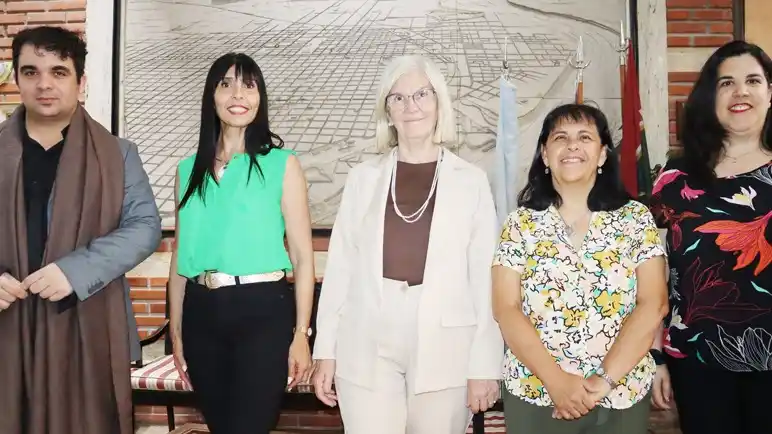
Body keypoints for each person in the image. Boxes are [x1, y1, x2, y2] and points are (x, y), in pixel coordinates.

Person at [311, 55, 504, 434]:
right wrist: (326, 350)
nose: (410, 106)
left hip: (445, 342)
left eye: (420, 94)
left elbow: (485, 281)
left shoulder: (472, 182)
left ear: (439, 102)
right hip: (366, 336)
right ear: (387, 110)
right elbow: (340, 271)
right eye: (397, 98)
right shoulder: (362, 179)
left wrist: (484, 364)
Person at [0, 26, 161, 434]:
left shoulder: (118, 154)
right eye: (31, 72)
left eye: (59, 71)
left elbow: (144, 228)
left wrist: (74, 271)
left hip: (88, 321)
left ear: (81, 81)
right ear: (15, 78)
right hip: (7, 326)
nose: (44, 84)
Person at [491, 103, 668, 434]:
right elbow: (506, 308)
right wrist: (557, 382)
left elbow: (653, 302)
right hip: (537, 393)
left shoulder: (635, 219)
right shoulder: (520, 224)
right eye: (560, 137)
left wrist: (603, 381)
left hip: (620, 393)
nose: (572, 145)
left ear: (602, 155)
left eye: (585, 137)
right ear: (545, 155)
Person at [168, 52, 315, 434]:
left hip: (263, 312)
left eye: (249, 85)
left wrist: (301, 334)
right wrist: (178, 332)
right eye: (226, 84)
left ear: (260, 98)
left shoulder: (283, 164)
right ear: (211, 97)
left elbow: (302, 256)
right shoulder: (187, 171)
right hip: (201, 314)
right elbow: (180, 260)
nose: (238, 94)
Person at [649, 40, 772, 434]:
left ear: (770, 93)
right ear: (710, 98)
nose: (741, 91)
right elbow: (652, 273)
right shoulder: (675, 179)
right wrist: (655, 358)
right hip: (697, 359)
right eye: (727, 83)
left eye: (753, 80)